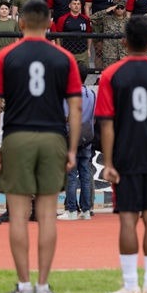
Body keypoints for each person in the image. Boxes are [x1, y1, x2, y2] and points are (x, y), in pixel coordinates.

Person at [0, 0, 83, 293]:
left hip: (17, 136)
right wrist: (71, 148)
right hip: (53, 136)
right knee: (46, 214)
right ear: (50, 24)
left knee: (17, 216)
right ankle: (43, 285)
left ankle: (24, 284)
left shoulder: (5, 56)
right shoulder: (65, 57)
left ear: (21, 22)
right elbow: (76, 107)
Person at [95, 15, 147, 293]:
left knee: (128, 218)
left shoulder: (110, 75)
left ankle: (131, 285)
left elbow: (106, 122)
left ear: (123, 42)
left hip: (125, 155)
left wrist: (108, 163)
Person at [59, 85, 96, 221]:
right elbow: (94, 116)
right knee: (85, 174)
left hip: (71, 137)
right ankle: (86, 210)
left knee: (71, 175)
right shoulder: (91, 93)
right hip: (87, 137)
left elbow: (65, 116)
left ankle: (71, 210)